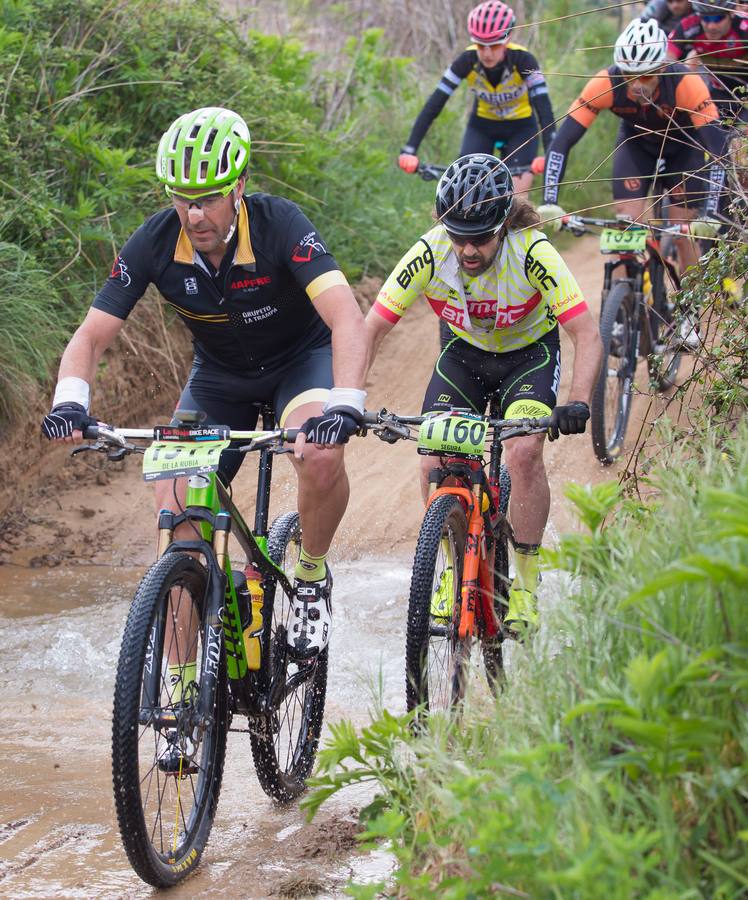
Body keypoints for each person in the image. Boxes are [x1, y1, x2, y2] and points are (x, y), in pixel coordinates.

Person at [41, 106, 367, 665]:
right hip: (219, 379)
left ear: (238, 186)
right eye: (182, 197)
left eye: (209, 197)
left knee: (315, 452)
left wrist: (346, 402)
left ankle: (310, 577)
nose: (194, 214)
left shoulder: (280, 224)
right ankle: (181, 699)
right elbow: (91, 337)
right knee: (177, 518)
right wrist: (70, 400)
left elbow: (346, 319)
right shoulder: (155, 241)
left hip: (300, 362)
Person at [366, 153, 602, 634]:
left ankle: (528, 586)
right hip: (465, 357)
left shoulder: (533, 250)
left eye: (480, 239)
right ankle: (450, 555)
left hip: (528, 356)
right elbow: (370, 329)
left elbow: (586, 333)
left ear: (504, 224)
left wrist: (578, 400)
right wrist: (346, 396)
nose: (468, 250)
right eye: (458, 238)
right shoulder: (430, 251)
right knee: (433, 457)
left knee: (521, 451)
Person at [537, 19, 728, 346]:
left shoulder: (685, 82)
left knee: (682, 233)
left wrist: (710, 212)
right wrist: (549, 199)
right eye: (630, 77)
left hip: (684, 150)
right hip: (636, 148)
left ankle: (690, 313)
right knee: (625, 231)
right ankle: (622, 308)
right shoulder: (605, 82)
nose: (638, 85)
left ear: (662, 67)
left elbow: (719, 149)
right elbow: (560, 142)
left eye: (647, 77)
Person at [397, 0, 556, 195]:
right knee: (465, 191)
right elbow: (435, 103)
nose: (487, 53)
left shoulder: (524, 60)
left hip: (521, 127)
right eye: (481, 45)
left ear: (508, 38)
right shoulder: (466, 60)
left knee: (516, 200)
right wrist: (409, 149)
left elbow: (544, 109)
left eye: (495, 45)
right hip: (482, 126)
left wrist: (549, 154)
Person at [667, 0, 748, 124]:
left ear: (731, 14)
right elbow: (666, 60)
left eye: (718, 18)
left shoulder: (744, 26)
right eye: (706, 19)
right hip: (718, 91)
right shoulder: (689, 26)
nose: (711, 26)